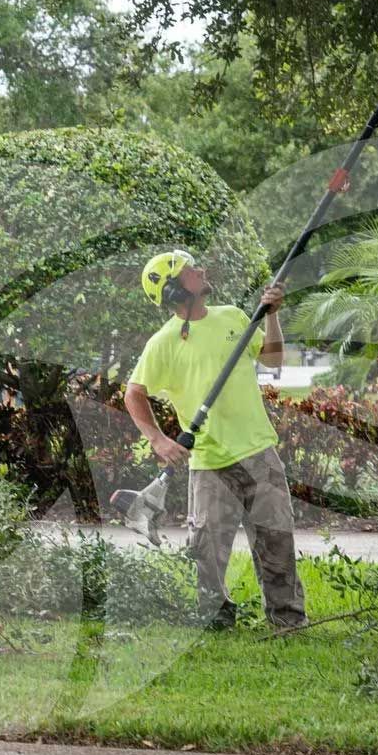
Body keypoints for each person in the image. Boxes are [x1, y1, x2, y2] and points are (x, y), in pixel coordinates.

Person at [123, 250, 306, 631]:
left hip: (258, 451)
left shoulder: (233, 317)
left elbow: (273, 361)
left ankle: (288, 622)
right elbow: (134, 393)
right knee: (205, 553)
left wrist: (272, 317)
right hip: (208, 464)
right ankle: (216, 619)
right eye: (191, 270)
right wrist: (157, 440)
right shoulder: (164, 343)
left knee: (276, 544)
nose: (201, 270)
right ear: (175, 291)